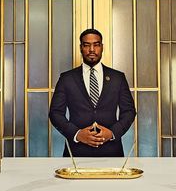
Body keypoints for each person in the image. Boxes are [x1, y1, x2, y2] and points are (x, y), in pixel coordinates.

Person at [48, 28, 136, 158]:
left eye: (96, 44)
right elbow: (55, 113)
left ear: (102, 47)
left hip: (111, 152)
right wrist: (77, 134)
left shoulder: (118, 78)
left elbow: (129, 111)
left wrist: (112, 133)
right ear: (80, 48)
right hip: (76, 152)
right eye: (87, 45)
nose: (92, 50)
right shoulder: (66, 78)